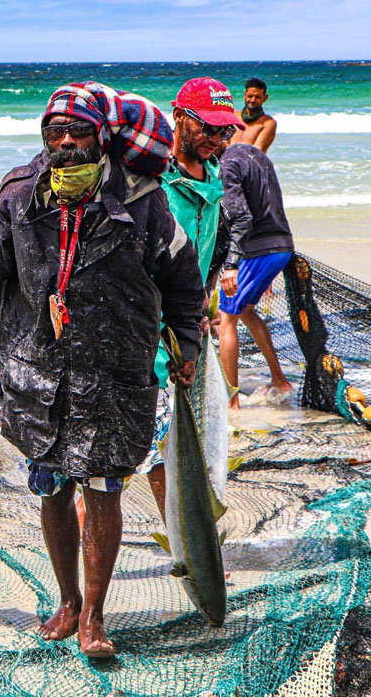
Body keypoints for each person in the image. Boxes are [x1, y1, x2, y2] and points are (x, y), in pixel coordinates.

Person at [0, 82, 204, 658]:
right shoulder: (15, 196)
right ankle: (65, 600)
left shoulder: (144, 200)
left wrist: (185, 341)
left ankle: (94, 615)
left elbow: (182, 279)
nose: (64, 143)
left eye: (77, 133)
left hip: (114, 373)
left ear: (101, 137)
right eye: (53, 133)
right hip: (37, 372)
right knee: (53, 488)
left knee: (105, 491)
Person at [130, 77, 240, 519]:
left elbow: (212, 253)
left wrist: (203, 311)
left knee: (188, 443)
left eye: (224, 131)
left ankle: (191, 539)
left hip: (189, 335)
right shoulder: (152, 185)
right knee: (147, 449)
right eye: (207, 129)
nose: (216, 140)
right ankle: (190, 544)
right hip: (149, 337)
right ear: (178, 117)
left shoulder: (214, 185)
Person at [217, 142, 294, 408]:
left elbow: (241, 218)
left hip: (258, 250)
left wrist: (231, 264)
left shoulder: (227, 164)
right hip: (282, 245)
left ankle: (231, 402)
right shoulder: (254, 153)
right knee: (246, 311)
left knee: (225, 318)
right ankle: (279, 380)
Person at [229, 77, 277, 152]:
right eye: (250, 96)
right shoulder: (233, 116)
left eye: (257, 97)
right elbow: (223, 144)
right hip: (227, 161)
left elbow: (257, 151)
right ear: (245, 95)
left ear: (265, 98)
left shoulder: (268, 123)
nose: (252, 100)